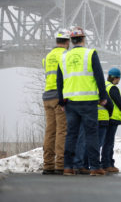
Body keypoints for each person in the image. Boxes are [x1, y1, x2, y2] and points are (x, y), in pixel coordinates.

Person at [57, 26, 108, 176]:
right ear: (83, 39)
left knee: (71, 134)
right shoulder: (90, 53)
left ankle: (68, 167)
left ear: (71, 41)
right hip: (88, 100)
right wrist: (103, 96)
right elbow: (99, 76)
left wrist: (61, 101)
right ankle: (94, 167)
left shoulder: (64, 57)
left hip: (70, 102)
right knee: (92, 134)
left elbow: (60, 81)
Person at [41, 29, 70, 175]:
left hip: (47, 97)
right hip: (60, 96)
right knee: (62, 130)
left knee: (50, 131)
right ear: (67, 42)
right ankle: (60, 165)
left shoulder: (48, 56)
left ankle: (48, 165)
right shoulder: (65, 55)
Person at [101, 67, 121, 173]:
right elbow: (119, 101)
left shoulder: (104, 86)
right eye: (119, 79)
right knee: (109, 142)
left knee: (106, 141)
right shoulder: (113, 88)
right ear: (115, 78)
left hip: (105, 117)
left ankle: (106, 163)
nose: (119, 81)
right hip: (113, 118)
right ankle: (107, 164)